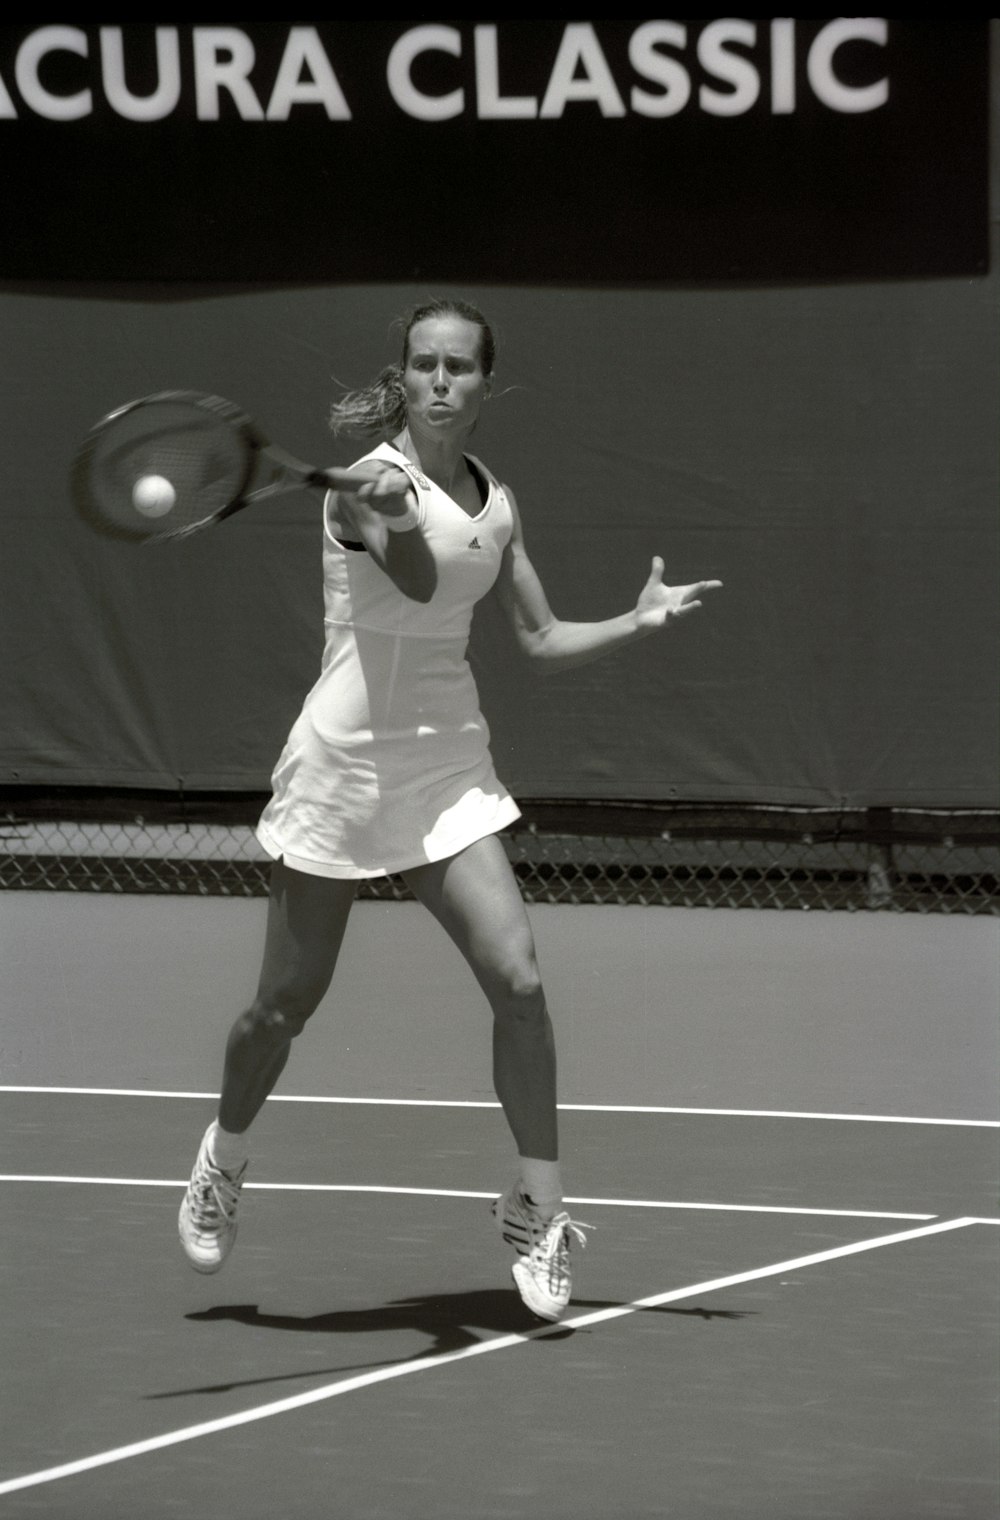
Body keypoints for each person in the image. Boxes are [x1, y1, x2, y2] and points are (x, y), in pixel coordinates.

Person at [178, 297, 722, 1321]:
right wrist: (382, 511)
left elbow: (541, 635)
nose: (438, 380)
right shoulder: (368, 488)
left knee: (519, 978)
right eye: (423, 363)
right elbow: (422, 578)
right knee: (280, 1009)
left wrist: (638, 620)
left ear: (482, 383)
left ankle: (540, 1208)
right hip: (342, 772)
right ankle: (225, 1152)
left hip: (446, 772)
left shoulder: (497, 499)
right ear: (404, 375)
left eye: (457, 366)